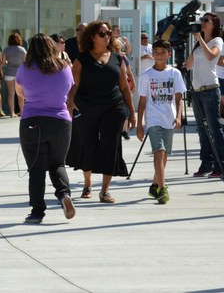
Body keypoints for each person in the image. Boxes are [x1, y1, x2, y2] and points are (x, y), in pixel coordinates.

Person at [67, 21, 135, 203]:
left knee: (110, 147)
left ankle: (104, 190)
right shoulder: (81, 59)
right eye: (103, 34)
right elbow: (73, 86)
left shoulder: (117, 58)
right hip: (87, 108)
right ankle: (88, 183)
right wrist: (69, 104)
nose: (107, 37)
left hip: (113, 108)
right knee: (87, 145)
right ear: (92, 37)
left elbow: (124, 87)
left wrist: (132, 112)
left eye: (108, 34)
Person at [15, 34, 76, 224]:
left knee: (36, 169)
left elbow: (20, 93)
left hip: (33, 120)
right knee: (57, 163)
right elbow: (68, 89)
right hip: (60, 121)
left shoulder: (25, 69)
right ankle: (64, 195)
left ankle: (37, 211)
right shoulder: (64, 68)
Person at [137, 39, 185, 204]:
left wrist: (179, 117)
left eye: (162, 52)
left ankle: (154, 184)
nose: (159, 55)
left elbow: (179, 98)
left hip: (169, 118)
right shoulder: (146, 75)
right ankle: (163, 189)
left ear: (168, 54)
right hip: (153, 119)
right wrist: (139, 125)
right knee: (158, 151)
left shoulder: (175, 73)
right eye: (156, 52)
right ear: (152, 54)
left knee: (165, 155)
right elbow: (142, 102)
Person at [185, 12, 224, 178]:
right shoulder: (198, 44)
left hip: (210, 88)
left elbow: (211, 56)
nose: (202, 22)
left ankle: (220, 164)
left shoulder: (217, 41)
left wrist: (199, 39)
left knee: (214, 129)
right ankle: (206, 163)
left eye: (205, 20)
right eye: (201, 20)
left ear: (214, 24)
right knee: (202, 130)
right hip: (197, 90)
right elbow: (188, 65)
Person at [3, 33, 27, 118]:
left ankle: (12, 113)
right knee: (20, 94)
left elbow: (3, 62)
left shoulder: (6, 50)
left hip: (9, 73)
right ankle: (22, 112)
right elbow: (25, 63)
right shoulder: (22, 50)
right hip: (20, 73)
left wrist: (8, 62)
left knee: (11, 93)